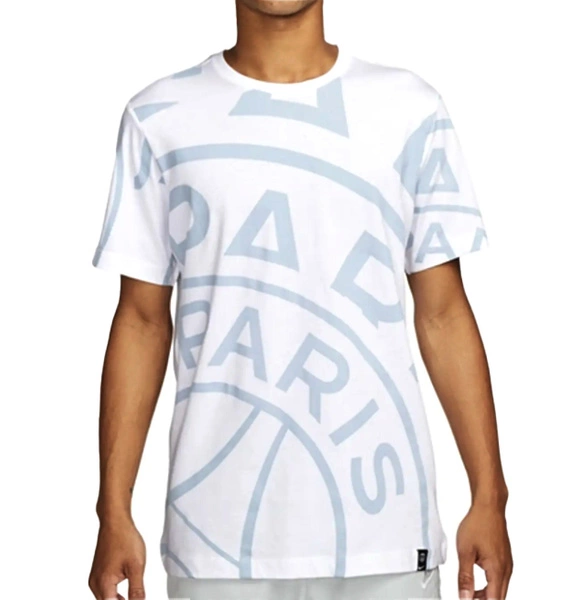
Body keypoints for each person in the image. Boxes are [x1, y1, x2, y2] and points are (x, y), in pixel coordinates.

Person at [88, 1, 513, 599]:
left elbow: (443, 313)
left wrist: (490, 496)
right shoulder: (159, 117)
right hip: (215, 543)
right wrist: (112, 510)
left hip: (384, 537)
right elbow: (141, 320)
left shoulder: (410, 109)